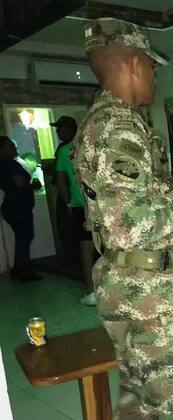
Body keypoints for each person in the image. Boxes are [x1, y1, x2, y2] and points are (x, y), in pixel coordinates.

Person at [73, 18, 173, 420]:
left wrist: (164, 189)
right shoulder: (119, 128)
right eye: (151, 65)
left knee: (136, 388)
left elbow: (123, 204)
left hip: (121, 280)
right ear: (132, 63)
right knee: (168, 401)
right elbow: (130, 224)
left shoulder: (103, 121)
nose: (155, 76)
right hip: (144, 287)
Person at [52, 116, 96, 305]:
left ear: (72, 129)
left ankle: (92, 291)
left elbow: (60, 178)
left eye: (61, 129)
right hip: (99, 204)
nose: (58, 132)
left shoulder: (65, 150)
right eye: (57, 129)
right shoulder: (93, 144)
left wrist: (67, 202)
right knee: (104, 245)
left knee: (86, 247)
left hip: (82, 205)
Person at [0, 136, 42, 281]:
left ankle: (19, 269)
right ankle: (22, 270)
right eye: (10, 146)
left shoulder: (3, 165)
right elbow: (20, 184)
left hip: (11, 205)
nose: (14, 148)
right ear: (2, 150)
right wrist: (33, 185)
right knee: (24, 237)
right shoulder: (10, 164)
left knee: (22, 237)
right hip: (18, 206)